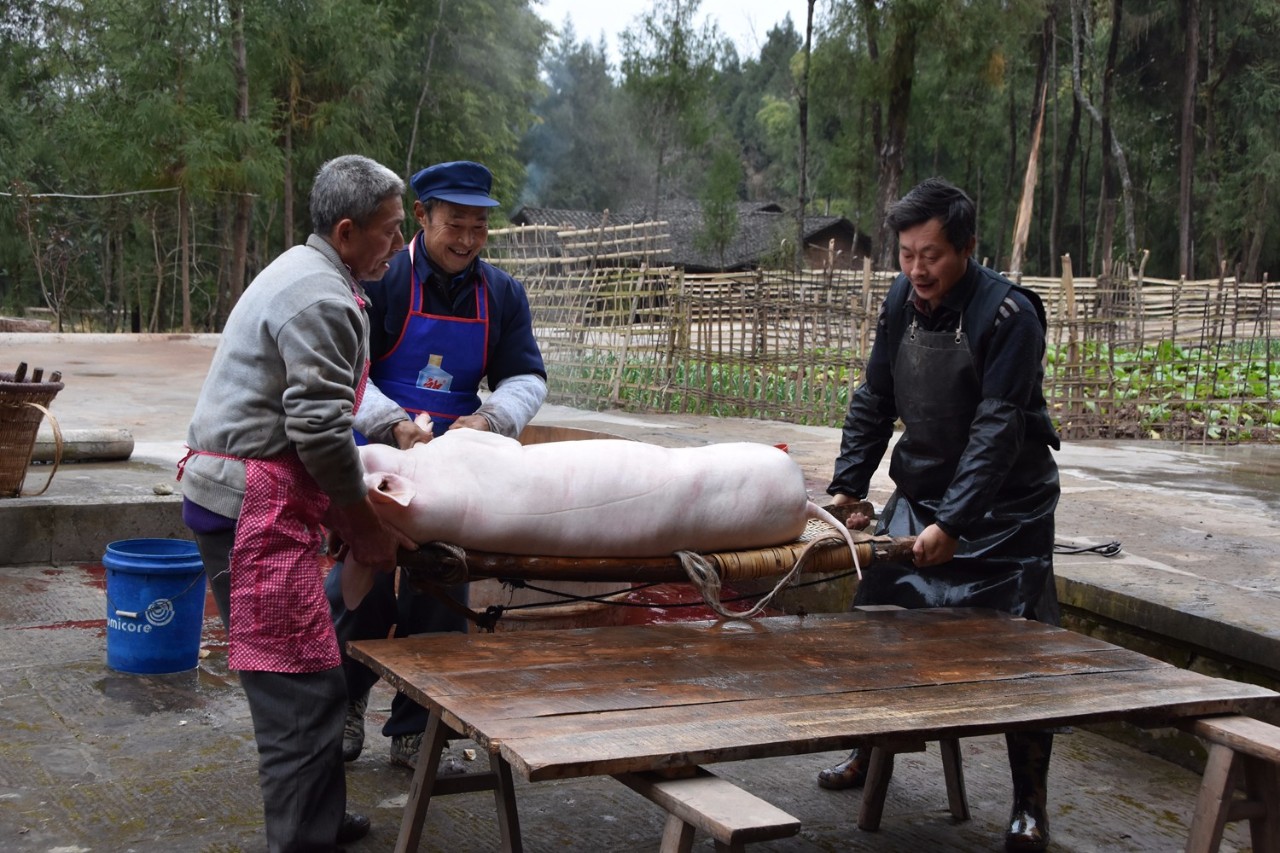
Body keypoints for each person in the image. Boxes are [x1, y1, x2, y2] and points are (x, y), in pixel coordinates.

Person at [817, 177, 1062, 853]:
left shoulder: (1011, 316)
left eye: (931, 255)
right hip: (923, 493)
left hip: (1007, 511)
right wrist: (849, 486)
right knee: (875, 619)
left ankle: (1029, 804)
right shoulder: (899, 301)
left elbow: (998, 427)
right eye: (906, 254)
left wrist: (954, 525)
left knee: (1026, 650)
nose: (917, 269)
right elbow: (875, 395)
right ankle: (870, 750)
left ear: (967, 248)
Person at [179, 154, 415, 851]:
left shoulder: (308, 270)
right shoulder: (323, 298)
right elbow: (315, 427)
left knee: (309, 668)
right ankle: (302, 838)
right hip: (251, 510)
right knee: (301, 691)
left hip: (246, 494)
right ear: (346, 231)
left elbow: (319, 413)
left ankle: (317, 816)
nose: (398, 246)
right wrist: (363, 527)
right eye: (390, 232)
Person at [325, 160, 547, 771]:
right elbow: (343, 370)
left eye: (479, 227)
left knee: (442, 586)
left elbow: (526, 375)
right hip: (376, 456)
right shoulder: (382, 278)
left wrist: (490, 421)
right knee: (360, 582)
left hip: (455, 466)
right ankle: (340, 704)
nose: (468, 239)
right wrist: (391, 423)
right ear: (423, 216)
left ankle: (416, 729)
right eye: (456, 224)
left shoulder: (501, 293)